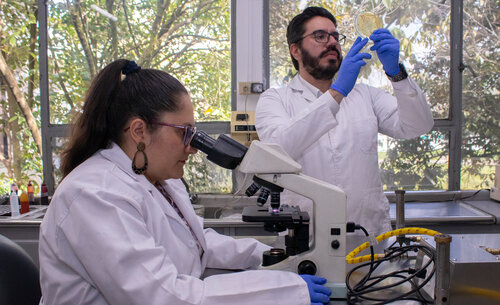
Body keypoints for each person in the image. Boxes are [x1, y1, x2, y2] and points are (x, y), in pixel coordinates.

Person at [38, 59, 331, 305]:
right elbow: (164, 296)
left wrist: (271, 254)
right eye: (184, 132)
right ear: (139, 130)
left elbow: (198, 244)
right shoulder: (94, 195)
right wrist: (284, 291)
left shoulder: (157, 181)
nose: (193, 147)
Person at [255, 7, 433, 235]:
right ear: (296, 50)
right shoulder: (275, 99)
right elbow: (280, 149)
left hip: (367, 238)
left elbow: (418, 125)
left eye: (335, 36)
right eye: (320, 36)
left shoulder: (366, 95)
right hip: (306, 240)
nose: (331, 43)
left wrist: (396, 74)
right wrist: (337, 93)